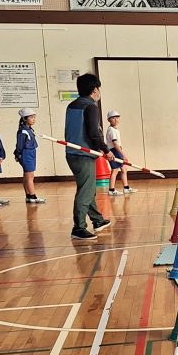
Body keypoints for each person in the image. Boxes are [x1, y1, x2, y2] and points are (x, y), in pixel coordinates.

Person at [65, 73, 114, 241]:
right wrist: (106, 150)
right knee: (85, 191)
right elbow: (94, 133)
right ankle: (78, 228)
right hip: (83, 155)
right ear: (94, 90)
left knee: (88, 188)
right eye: (98, 88)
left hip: (72, 154)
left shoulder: (72, 106)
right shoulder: (90, 107)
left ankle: (97, 220)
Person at [14, 108, 45, 204]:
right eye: (31, 117)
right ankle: (33, 196)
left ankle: (28, 196)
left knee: (27, 176)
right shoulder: (23, 131)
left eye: (34, 117)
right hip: (26, 154)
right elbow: (19, 146)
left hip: (31, 153)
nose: (33, 119)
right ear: (24, 119)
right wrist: (18, 155)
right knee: (30, 177)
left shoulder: (29, 129)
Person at [104, 110, 136, 196]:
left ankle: (126, 188)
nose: (116, 120)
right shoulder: (111, 130)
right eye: (113, 118)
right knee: (115, 170)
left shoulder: (115, 130)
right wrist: (123, 154)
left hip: (117, 150)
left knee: (124, 169)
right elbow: (115, 144)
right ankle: (111, 190)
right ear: (109, 120)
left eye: (117, 118)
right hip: (114, 151)